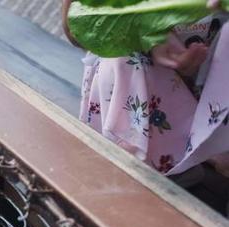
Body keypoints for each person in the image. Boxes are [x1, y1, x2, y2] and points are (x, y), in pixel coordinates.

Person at [62, 0, 229, 213]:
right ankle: (151, 168)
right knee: (124, 60)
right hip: (155, 90)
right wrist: (149, 35)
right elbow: (77, 23)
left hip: (213, 84)